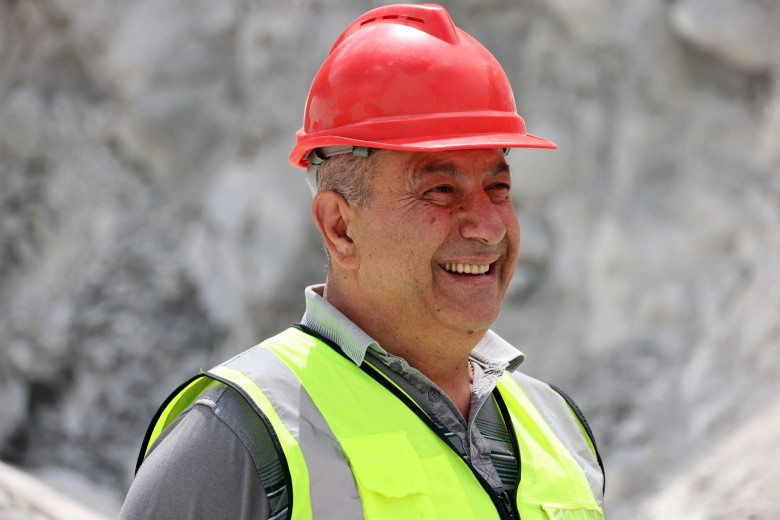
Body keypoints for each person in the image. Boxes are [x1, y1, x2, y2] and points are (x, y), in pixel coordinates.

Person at [119, 4, 605, 519]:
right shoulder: (236, 440)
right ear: (340, 227)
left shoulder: (557, 427)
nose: (488, 226)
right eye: (441, 190)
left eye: (498, 187)